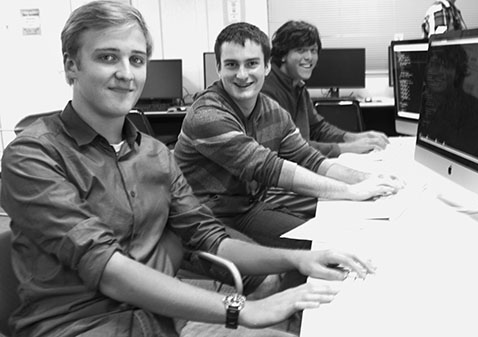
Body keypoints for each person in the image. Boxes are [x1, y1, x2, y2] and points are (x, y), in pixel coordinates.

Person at [0, 2, 376, 336]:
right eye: (107, 57)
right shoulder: (33, 154)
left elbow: (210, 238)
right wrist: (242, 310)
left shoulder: (154, 154)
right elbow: (107, 267)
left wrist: (298, 257)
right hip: (80, 325)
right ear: (70, 66)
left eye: (136, 59)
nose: (126, 73)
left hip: (163, 320)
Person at [173, 22, 402, 251]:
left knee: (320, 242)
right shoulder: (207, 114)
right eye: (232, 65)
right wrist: (350, 191)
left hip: (246, 207)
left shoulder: (271, 109)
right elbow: (268, 167)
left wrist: (365, 179)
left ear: (266, 67)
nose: (242, 75)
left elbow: (309, 158)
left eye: (252, 64)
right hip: (203, 217)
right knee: (277, 271)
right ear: (218, 68)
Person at [263, 20, 390, 159]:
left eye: (313, 50)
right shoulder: (267, 91)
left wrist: (353, 138)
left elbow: (318, 128)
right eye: (301, 50)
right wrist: (346, 148)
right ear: (282, 55)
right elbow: (288, 148)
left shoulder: (298, 86)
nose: (309, 57)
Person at [419, 44, 478, 156]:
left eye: (447, 66)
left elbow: (460, 157)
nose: (440, 72)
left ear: (457, 73)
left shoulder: (477, 111)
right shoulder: (420, 101)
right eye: (435, 64)